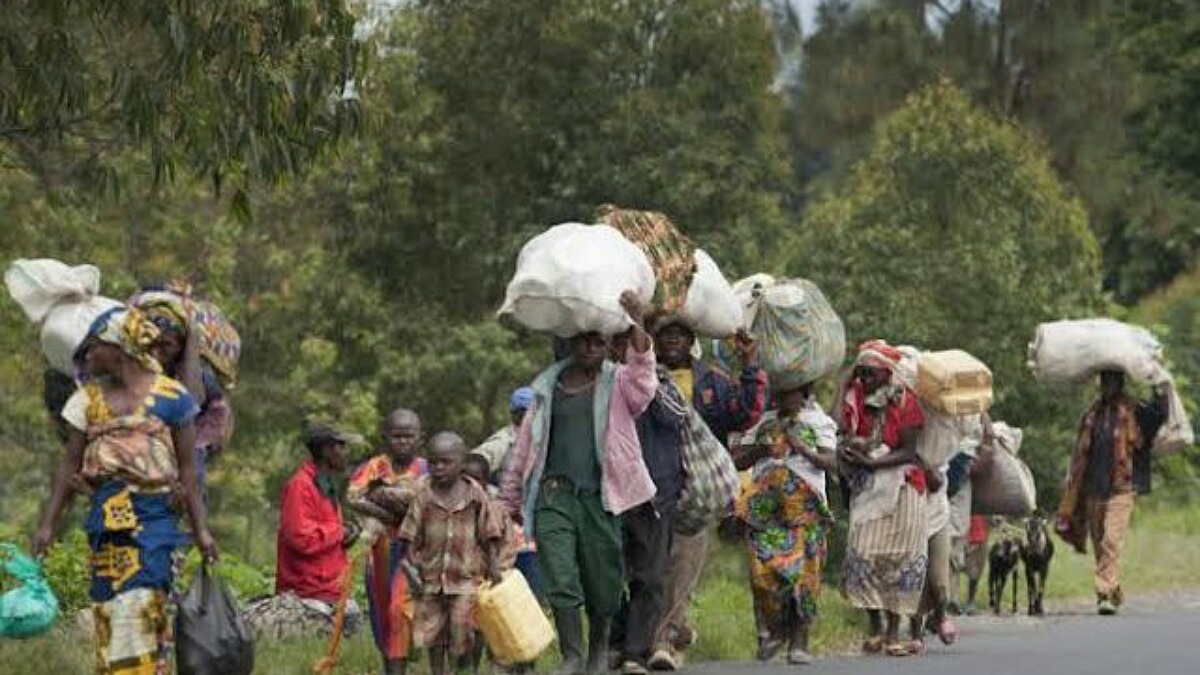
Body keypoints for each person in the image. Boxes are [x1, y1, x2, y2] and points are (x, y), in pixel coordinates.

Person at [31, 306, 218, 675]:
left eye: (94, 347)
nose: (87, 356)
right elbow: (69, 464)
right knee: (111, 610)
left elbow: (187, 471)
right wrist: (48, 524)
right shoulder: (87, 401)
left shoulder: (172, 397)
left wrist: (201, 530)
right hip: (105, 522)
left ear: (119, 347)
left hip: (156, 518)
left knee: (144, 605)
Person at [501, 291, 658, 675]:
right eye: (583, 339)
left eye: (598, 340)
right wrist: (509, 500)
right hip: (554, 498)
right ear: (569, 343)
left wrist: (637, 321)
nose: (590, 346)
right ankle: (572, 654)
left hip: (600, 498)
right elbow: (525, 448)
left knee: (603, 582)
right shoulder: (545, 390)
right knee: (560, 574)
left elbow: (644, 380)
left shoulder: (619, 383)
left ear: (607, 346)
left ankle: (599, 647)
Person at [649, 320, 768, 671]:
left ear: (692, 340)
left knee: (682, 565)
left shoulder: (713, 380)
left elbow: (746, 413)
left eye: (680, 333)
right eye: (665, 333)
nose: (672, 338)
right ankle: (662, 633)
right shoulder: (640, 377)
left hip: (696, 491)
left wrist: (749, 365)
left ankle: (665, 641)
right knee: (647, 569)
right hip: (649, 487)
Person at [733, 382, 837, 665]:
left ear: (803, 393)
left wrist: (801, 447)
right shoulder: (763, 423)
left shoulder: (819, 421)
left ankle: (799, 643)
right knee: (763, 575)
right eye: (778, 393)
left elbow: (831, 461)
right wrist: (760, 451)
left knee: (804, 579)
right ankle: (776, 628)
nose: (782, 398)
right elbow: (737, 460)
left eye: (788, 392)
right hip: (766, 511)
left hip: (806, 511)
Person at [836, 339, 928, 657]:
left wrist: (873, 461)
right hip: (869, 489)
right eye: (861, 374)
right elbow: (839, 427)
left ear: (887, 373)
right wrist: (843, 384)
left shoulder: (904, 401)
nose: (865, 380)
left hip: (903, 487)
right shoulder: (857, 398)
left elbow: (908, 451)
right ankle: (873, 625)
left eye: (871, 374)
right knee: (861, 553)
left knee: (900, 559)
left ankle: (892, 632)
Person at [608, 330, 688, 675]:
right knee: (609, 575)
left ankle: (634, 653)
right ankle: (615, 641)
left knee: (649, 575)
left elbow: (676, 417)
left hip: (656, 491)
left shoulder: (660, 381)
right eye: (617, 344)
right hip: (611, 491)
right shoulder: (601, 384)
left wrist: (647, 383)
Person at [1055, 370, 1167, 616]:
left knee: (1111, 541)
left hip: (1122, 487)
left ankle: (1104, 593)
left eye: (1112, 381)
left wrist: (1158, 387)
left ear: (1120, 383)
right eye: (1104, 381)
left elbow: (1158, 416)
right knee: (1099, 544)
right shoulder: (1092, 414)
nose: (1107, 386)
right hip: (1094, 488)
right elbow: (1080, 452)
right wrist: (1072, 482)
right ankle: (1113, 589)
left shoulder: (1134, 409)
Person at [399, 432, 506, 675]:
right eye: (434, 462)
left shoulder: (474, 493)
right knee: (433, 632)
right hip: (431, 578)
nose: (438, 468)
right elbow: (410, 532)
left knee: (462, 629)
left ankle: (463, 669)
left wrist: (494, 565)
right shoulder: (423, 494)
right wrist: (412, 560)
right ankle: (437, 671)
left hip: (465, 577)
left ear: (461, 463)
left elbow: (489, 531)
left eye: (446, 462)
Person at [348, 409, 429, 675]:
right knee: (382, 615)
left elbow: (426, 506)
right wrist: (392, 512)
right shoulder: (373, 467)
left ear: (420, 438)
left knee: (399, 610)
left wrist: (381, 498)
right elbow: (353, 498)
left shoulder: (427, 469)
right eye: (396, 436)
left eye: (409, 436)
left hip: (413, 554)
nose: (403, 442)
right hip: (378, 554)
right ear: (385, 438)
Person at [135, 289, 235, 496]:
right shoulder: (143, 367)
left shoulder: (198, 372)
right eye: (151, 344)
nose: (156, 353)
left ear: (182, 348)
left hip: (191, 446)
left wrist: (191, 342)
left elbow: (192, 400)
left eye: (166, 346)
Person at [473, 387, 536, 478]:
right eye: (523, 412)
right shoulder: (502, 441)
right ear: (514, 413)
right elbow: (474, 464)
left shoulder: (539, 438)